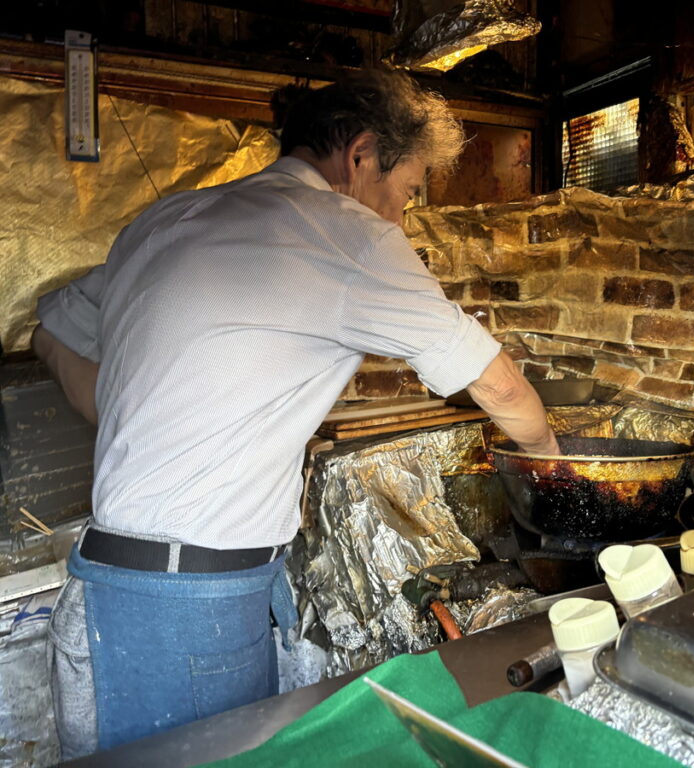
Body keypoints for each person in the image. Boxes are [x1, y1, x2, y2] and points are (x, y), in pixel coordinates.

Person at [34, 66, 559, 760]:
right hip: (192, 610)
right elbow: (502, 391)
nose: (402, 215)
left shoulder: (168, 220)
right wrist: (553, 481)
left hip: (113, 587)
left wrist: (134, 408)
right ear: (362, 155)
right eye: (406, 191)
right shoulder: (346, 234)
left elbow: (50, 330)